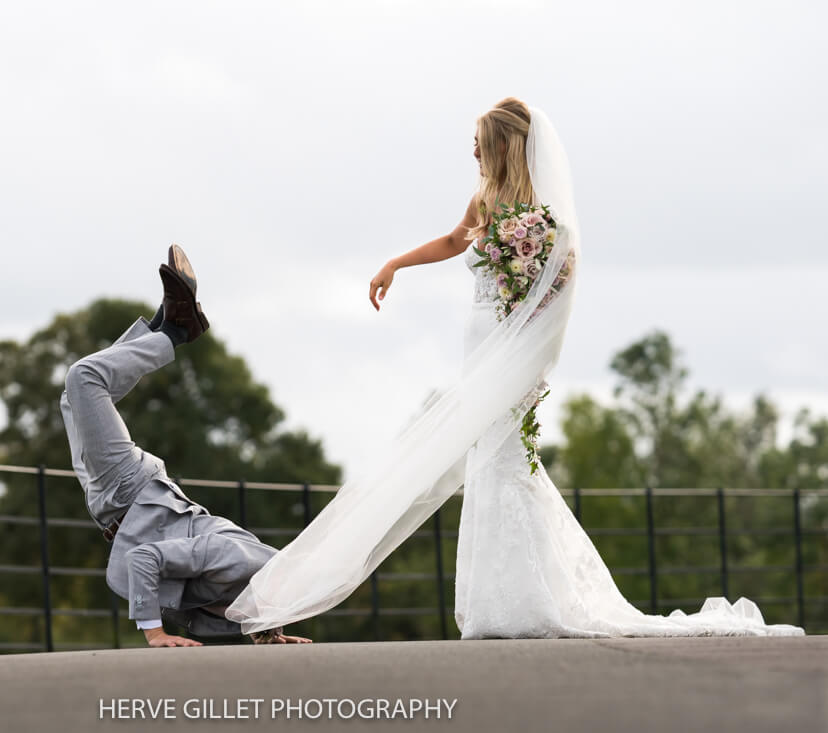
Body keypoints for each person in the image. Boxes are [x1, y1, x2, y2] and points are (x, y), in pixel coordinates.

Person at [226, 98, 804, 639]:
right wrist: (395, 264)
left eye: (479, 142)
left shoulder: (543, 218)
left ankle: (528, 600)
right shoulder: (485, 200)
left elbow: (563, 277)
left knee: (507, 461)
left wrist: (530, 340)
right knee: (491, 463)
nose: (472, 152)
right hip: (478, 347)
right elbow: (456, 240)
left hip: (514, 351)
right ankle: (504, 599)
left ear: (502, 144)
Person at [60, 245, 311, 647]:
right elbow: (145, 559)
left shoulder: (248, 593)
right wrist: (154, 634)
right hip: (129, 492)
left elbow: (213, 613)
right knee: (84, 378)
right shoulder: (241, 563)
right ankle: (177, 331)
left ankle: (166, 321)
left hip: (114, 507)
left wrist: (270, 634)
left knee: (73, 399)